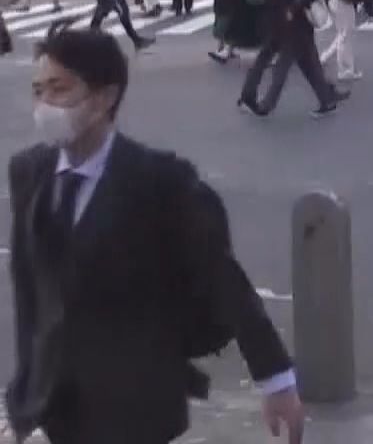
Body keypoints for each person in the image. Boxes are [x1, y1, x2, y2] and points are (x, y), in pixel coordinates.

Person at [7, 29, 307, 444]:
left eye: (60, 89)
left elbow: (223, 279)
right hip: (57, 402)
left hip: (137, 405)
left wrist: (276, 379)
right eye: (38, 91)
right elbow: (30, 290)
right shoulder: (29, 172)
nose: (45, 105)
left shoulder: (159, 180)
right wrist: (24, 396)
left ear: (105, 97)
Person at [238, 0, 342, 119]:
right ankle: (327, 99)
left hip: (295, 29)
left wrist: (292, 9)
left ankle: (265, 104)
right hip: (278, 28)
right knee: (308, 66)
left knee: (282, 67)